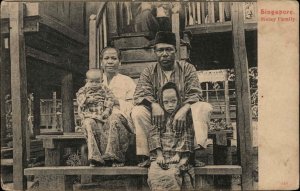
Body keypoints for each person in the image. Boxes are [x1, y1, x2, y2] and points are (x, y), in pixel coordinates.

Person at [132, 31, 213, 167]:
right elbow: (140, 93)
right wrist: (154, 105)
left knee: (205, 107)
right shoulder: (149, 70)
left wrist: (183, 109)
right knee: (138, 111)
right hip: (158, 118)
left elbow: (195, 92)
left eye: (169, 49)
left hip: (183, 116)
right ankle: (150, 156)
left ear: (176, 51)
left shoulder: (187, 68)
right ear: (155, 52)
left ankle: (190, 155)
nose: (165, 54)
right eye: (160, 50)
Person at [76, 69, 131, 167]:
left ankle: (111, 156)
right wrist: (88, 99)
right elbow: (80, 100)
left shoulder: (104, 89)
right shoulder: (83, 90)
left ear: (101, 81)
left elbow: (110, 99)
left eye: (97, 82)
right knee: (90, 124)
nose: (94, 84)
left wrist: (106, 110)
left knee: (108, 126)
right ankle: (95, 157)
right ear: (86, 81)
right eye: (91, 82)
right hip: (89, 115)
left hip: (102, 115)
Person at [147, 82, 195, 190]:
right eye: (166, 102)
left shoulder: (182, 118)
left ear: (178, 100)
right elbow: (154, 136)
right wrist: (159, 155)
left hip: (176, 156)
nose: (170, 105)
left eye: (173, 101)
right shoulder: (158, 118)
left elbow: (185, 136)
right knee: (154, 174)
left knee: (173, 174)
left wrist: (178, 155)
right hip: (161, 157)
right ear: (161, 102)